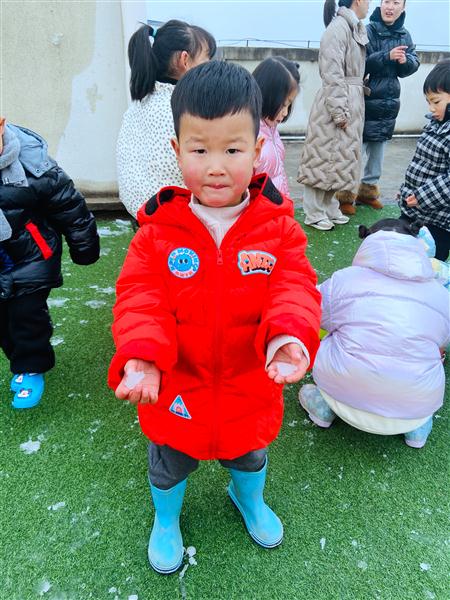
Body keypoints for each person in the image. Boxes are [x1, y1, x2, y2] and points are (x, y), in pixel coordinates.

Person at [108, 61, 321, 574]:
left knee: (250, 454)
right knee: (168, 461)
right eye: (200, 150)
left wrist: (288, 337)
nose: (216, 166)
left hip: (249, 382)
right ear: (177, 150)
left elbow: (294, 287)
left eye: (232, 150)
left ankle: (248, 498)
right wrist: (142, 357)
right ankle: (166, 520)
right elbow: (140, 298)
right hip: (178, 386)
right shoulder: (158, 232)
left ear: (258, 148)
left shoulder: (280, 230)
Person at [299, 218, 449, 448]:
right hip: (414, 407)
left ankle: (324, 408)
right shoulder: (440, 292)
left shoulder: (344, 279)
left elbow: (312, 313)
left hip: (341, 394)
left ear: (367, 243)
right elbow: (443, 342)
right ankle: (416, 431)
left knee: (330, 337)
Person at [0, 119, 100, 408]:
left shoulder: (34, 165)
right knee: (4, 321)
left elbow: (69, 205)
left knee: (27, 316)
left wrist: (85, 247)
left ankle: (31, 367)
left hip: (31, 257)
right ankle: (19, 358)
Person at [117, 20, 216, 219]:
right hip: (178, 218)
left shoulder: (138, 105)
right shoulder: (185, 109)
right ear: (185, 60)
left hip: (142, 213)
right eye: (207, 59)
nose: (211, 67)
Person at [297, 0, 370, 230]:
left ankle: (329, 206)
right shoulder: (338, 28)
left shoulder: (350, 27)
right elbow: (332, 72)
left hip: (351, 99)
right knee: (322, 156)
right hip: (336, 100)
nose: (369, 5)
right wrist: (339, 110)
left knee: (339, 159)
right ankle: (313, 211)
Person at [354, 0, 419, 210]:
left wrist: (405, 62)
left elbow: (414, 62)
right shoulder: (368, 30)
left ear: (403, 7)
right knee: (354, 151)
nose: (390, 7)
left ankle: (368, 192)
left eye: (396, 2)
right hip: (365, 97)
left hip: (389, 101)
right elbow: (359, 63)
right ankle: (344, 195)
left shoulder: (405, 34)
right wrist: (387, 56)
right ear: (380, 4)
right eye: (386, 1)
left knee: (378, 150)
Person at [399, 59, 450, 261]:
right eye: (428, 102)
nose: (431, 108)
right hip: (413, 210)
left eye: (436, 102)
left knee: (428, 265)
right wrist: (406, 191)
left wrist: (422, 196)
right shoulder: (435, 125)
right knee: (401, 256)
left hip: (437, 221)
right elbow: (420, 165)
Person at [253, 56, 300, 198]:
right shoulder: (251, 133)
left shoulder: (271, 129)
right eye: (283, 105)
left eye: (289, 105)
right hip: (262, 208)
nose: (285, 113)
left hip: (277, 205)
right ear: (267, 95)